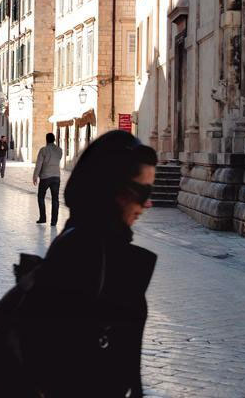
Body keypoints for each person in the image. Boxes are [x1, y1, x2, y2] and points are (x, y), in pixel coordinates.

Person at [19, 130, 158, 398]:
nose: (149, 203)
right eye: (142, 191)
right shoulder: (82, 252)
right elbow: (64, 365)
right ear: (113, 188)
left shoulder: (101, 247)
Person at [32, 132, 62, 226]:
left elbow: (38, 165)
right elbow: (58, 159)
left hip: (45, 177)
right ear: (54, 139)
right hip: (56, 177)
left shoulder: (43, 150)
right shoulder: (59, 150)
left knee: (41, 197)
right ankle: (54, 221)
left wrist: (35, 176)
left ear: (46, 140)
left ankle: (43, 218)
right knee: (55, 199)